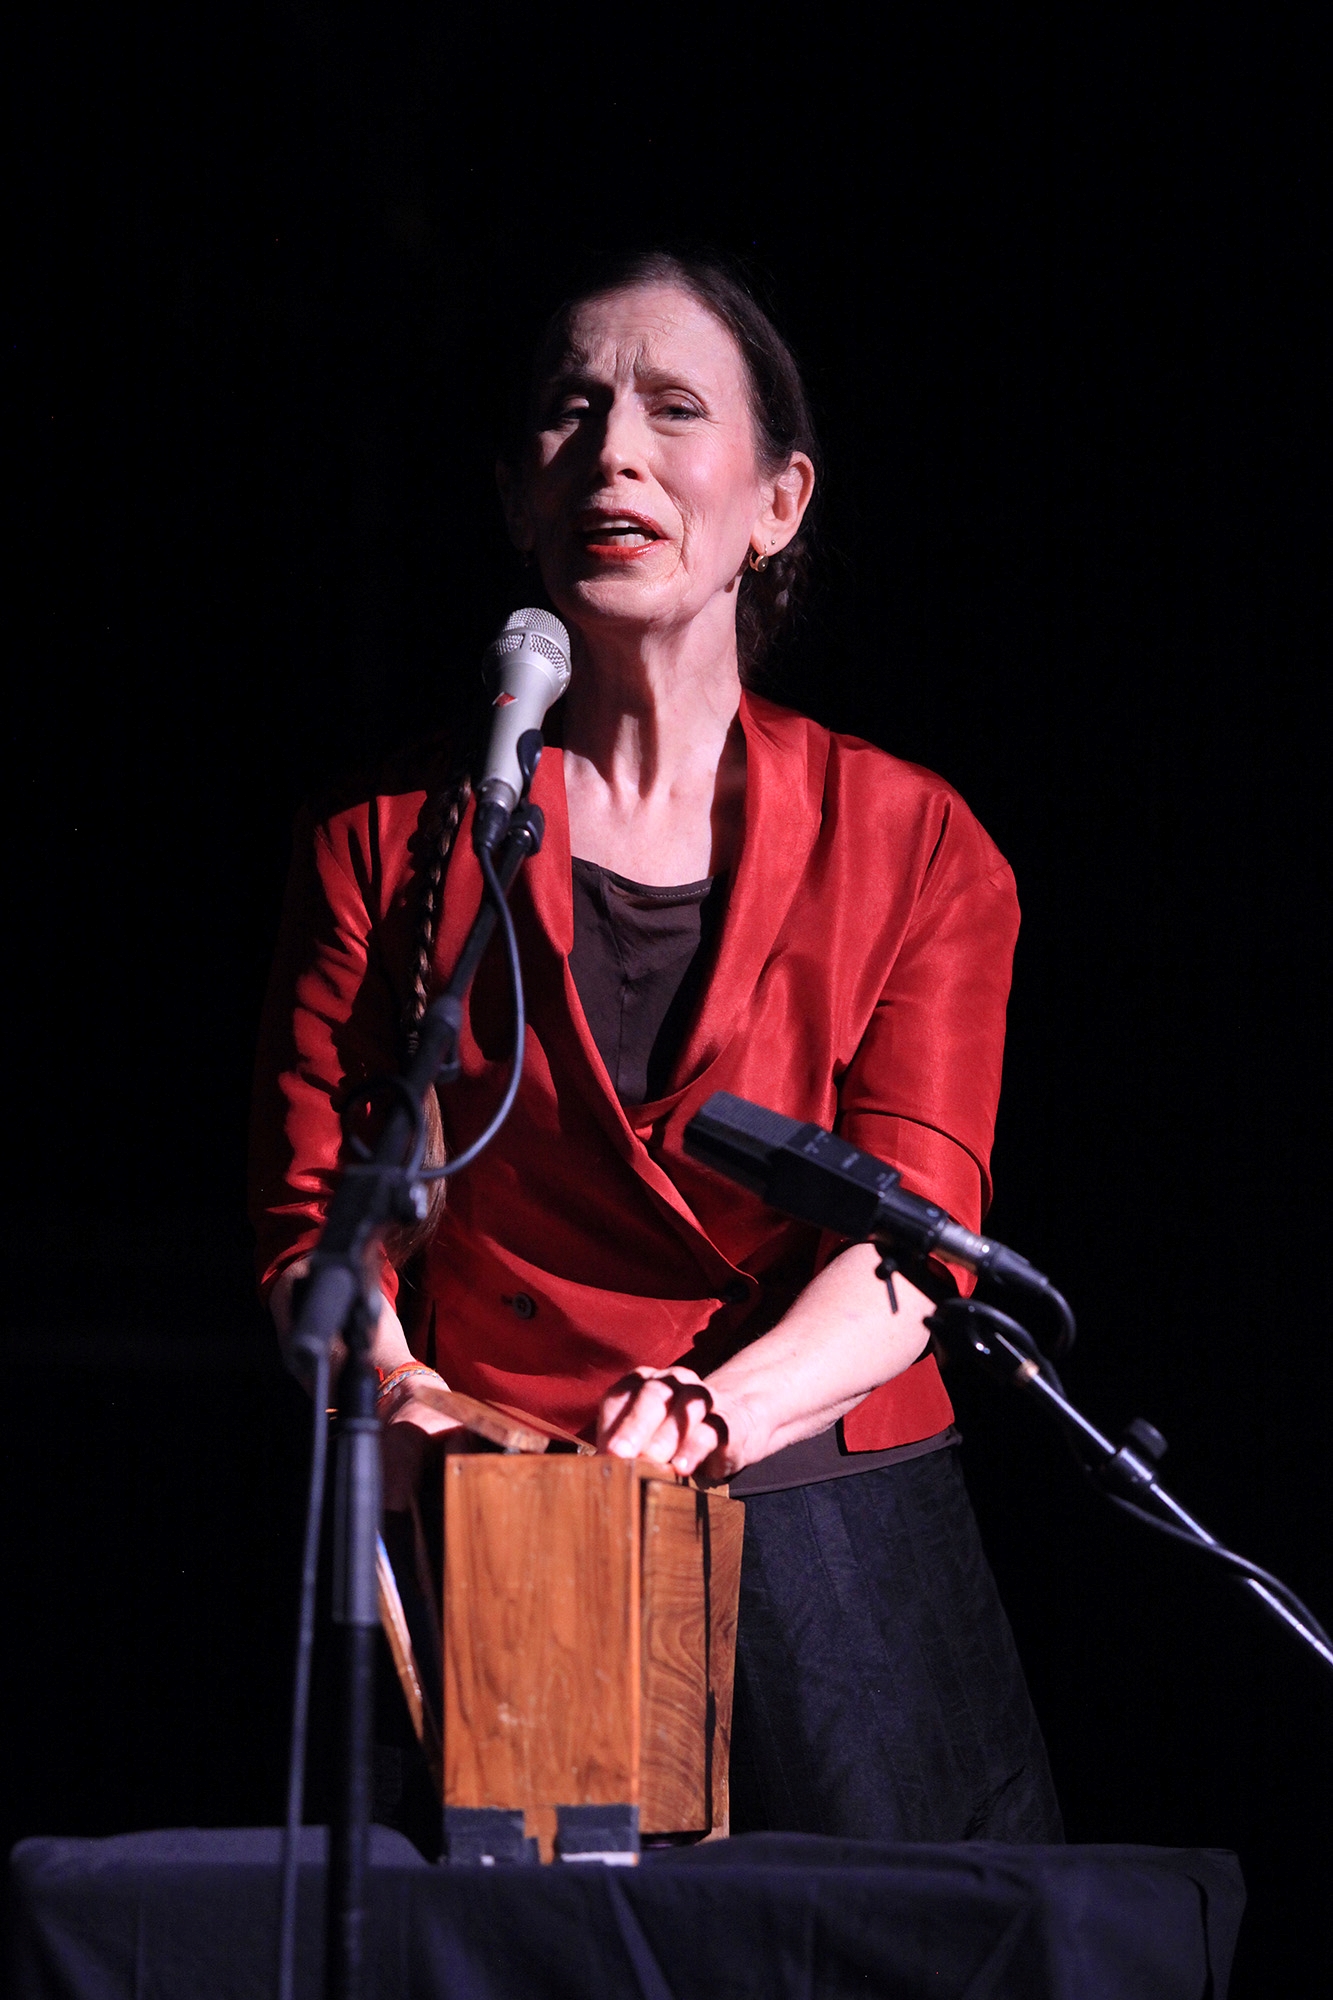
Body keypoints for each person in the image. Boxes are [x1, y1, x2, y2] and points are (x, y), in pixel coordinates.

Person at [250, 249, 1062, 1843]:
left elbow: (922, 1239)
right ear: (515, 497)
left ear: (777, 502)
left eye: (671, 410)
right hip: (508, 1517)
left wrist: (718, 1409)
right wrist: (398, 1393)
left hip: (825, 1500)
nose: (611, 450)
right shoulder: (388, 839)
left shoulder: (914, 840)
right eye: (570, 411)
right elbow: (315, 1221)